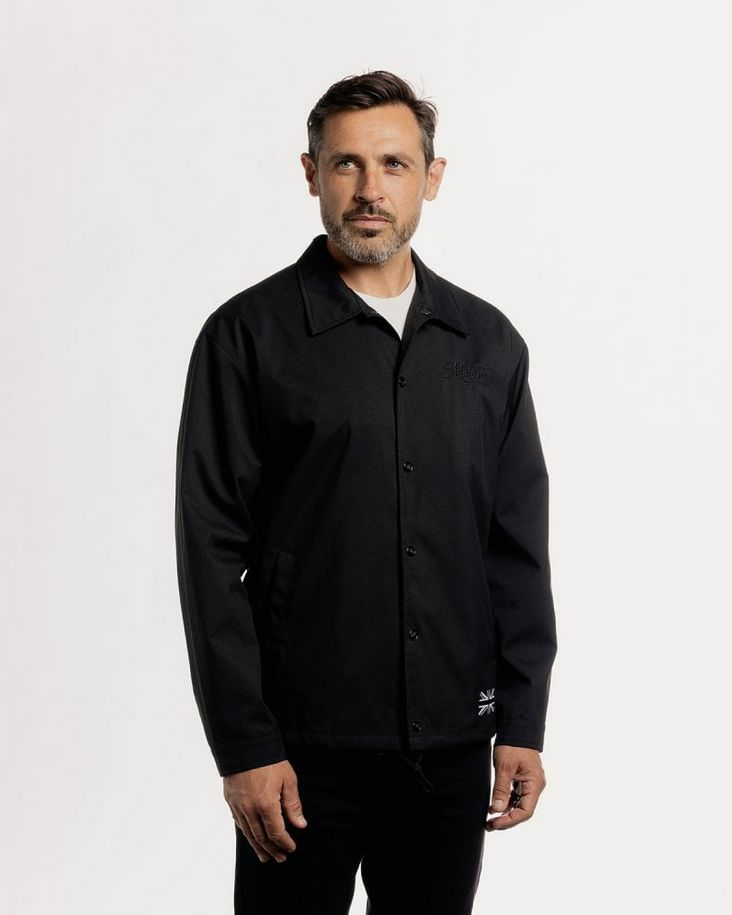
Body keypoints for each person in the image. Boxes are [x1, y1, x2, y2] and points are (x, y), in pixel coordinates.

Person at [175, 69, 558, 915]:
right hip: (299, 756)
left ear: (432, 176)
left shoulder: (488, 343)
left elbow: (515, 549)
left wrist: (523, 719)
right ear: (311, 173)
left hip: (452, 748)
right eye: (346, 164)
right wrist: (244, 744)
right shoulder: (247, 337)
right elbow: (209, 552)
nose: (370, 189)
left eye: (393, 163)